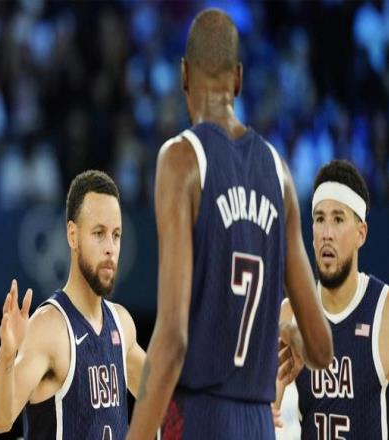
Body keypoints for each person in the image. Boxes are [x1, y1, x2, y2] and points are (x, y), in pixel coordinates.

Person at [126, 8, 333, 440]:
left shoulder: (181, 159)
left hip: (200, 417)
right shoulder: (278, 171)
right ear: (238, 79)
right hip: (259, 423)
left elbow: (172, 338)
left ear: (184, 75)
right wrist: (290, 336)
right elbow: (320, 346)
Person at [0, 170, 146, 439]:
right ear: (73, 235)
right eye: (99, 233)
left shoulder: (122, 325)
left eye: (116, 235)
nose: (110, 247)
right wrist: (6, 355)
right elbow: (0, 420)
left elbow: (163, 398)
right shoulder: (49, 327)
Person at [275, 159, 389, 439]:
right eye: (319, 219)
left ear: (361, 234)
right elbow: (265, 415)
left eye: (338, 219)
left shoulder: (385, 311)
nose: (326, 233)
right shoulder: (290, 315)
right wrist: (270, 397)